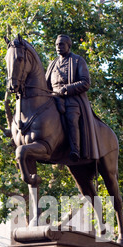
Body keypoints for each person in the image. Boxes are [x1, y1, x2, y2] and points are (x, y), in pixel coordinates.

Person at [46, 34, 99, 162]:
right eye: (57, 45)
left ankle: (75, 149)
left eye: (61, 44)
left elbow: (85, 82)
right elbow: (45, 84)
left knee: (71, 118)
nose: (58, 47)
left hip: (71, 99)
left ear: (68, 46)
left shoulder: (77, 60)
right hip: (53, 98)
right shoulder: (52, 64)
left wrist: (66, 89)